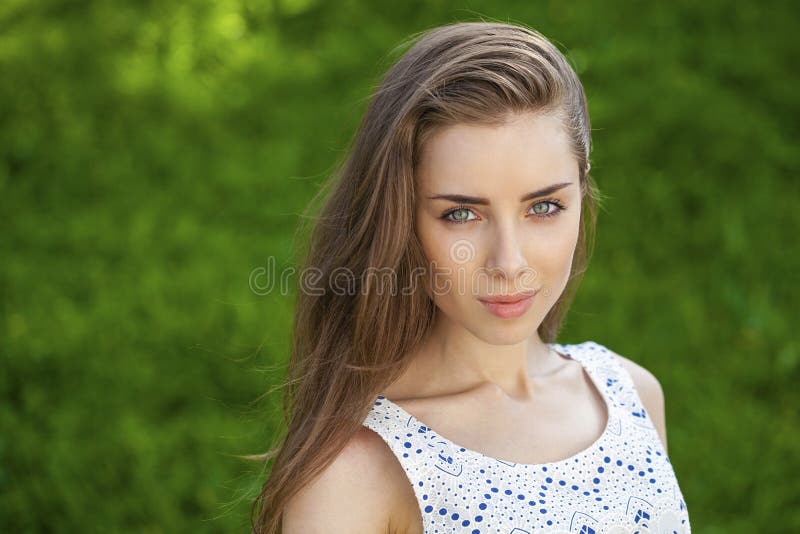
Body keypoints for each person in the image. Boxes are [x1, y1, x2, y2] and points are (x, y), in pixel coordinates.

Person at [251, 21, 691, 534]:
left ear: (581, 191)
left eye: (544, 206)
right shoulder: (354, 473)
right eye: (462, 214)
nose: (509, 262)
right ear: (401, 218)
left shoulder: (632, 395)